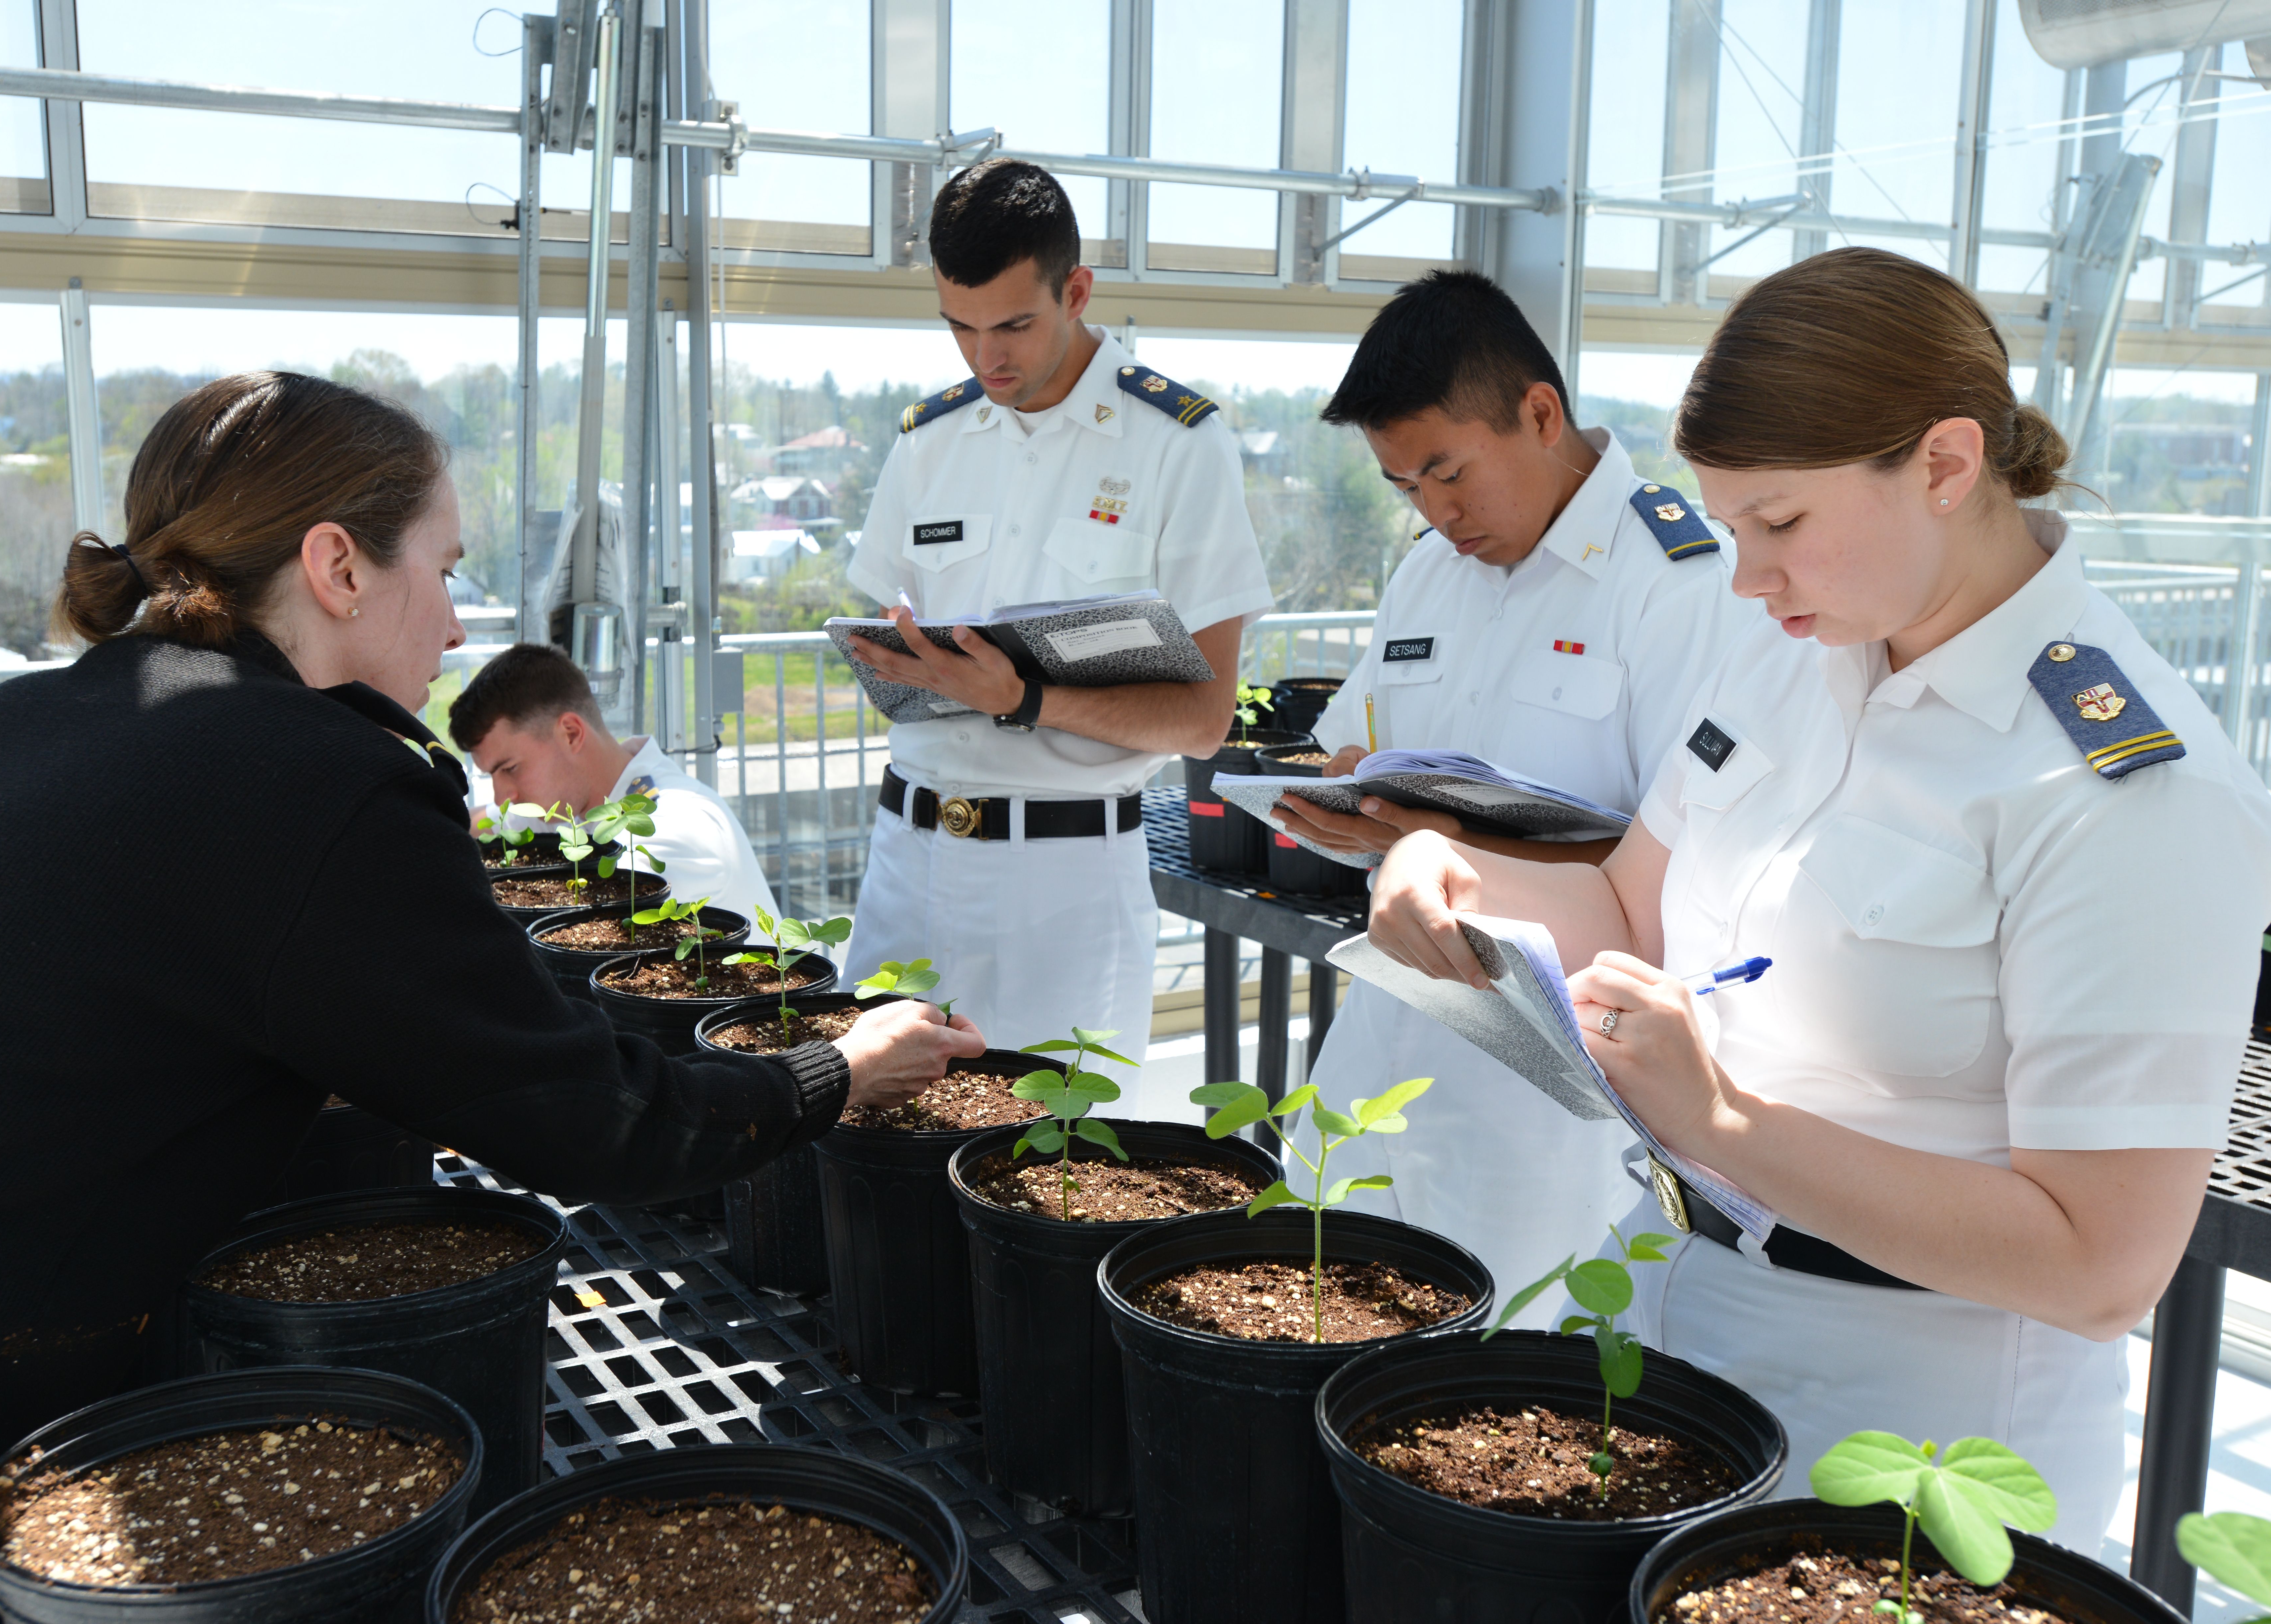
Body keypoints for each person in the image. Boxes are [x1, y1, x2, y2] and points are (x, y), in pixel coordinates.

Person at [0, 371, 982, 1624]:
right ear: (337, 565)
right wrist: (837, 1069)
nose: (451, 629)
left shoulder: (17, 717)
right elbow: (588, 1121)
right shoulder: (311, 781)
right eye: (442, 569)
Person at [1363, 246, 2271, 1549]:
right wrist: (1446, 872)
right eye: (1730, 527)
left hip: (1913, 1422)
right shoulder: (1793, 655)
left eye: (1778, 524)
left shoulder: (2120, 784)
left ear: (1946, 467)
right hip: (1674, 1313)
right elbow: (1627, 912)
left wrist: (1724, 1121)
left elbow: (2098, 1263)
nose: (1746, 575)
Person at [1268, 269, 1761, 1299]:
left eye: (1447, 472)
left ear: (1539, 413)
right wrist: (1347, 798)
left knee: (1501, 1381)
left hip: (1542, 1075)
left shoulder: (1679, 582)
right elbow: (1361, 744)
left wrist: (1467, 847)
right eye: (1404, 487)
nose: (1435, 510)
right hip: (1385, 1023)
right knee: (1319, 1314)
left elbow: (1697, 865)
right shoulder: (1427, 573)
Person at [838, 158, 1274, 1070]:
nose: (986, 357)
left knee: (1052, 1185)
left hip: (1062, 892)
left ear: (1076, 290)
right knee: (867, 1159)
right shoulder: (931, 440)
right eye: (959, 328)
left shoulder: (1178, 446)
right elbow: (892, 611)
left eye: (1014, 325)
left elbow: (1203, 721)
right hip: (907, 862)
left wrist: (1022, 698)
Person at [450, 641, 779, 927]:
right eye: (491, 775)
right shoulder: (565, 803)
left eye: (510, 768)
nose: (503, 794)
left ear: (571, 734)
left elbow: (582, 924)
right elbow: (478, 822)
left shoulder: (676, 825)